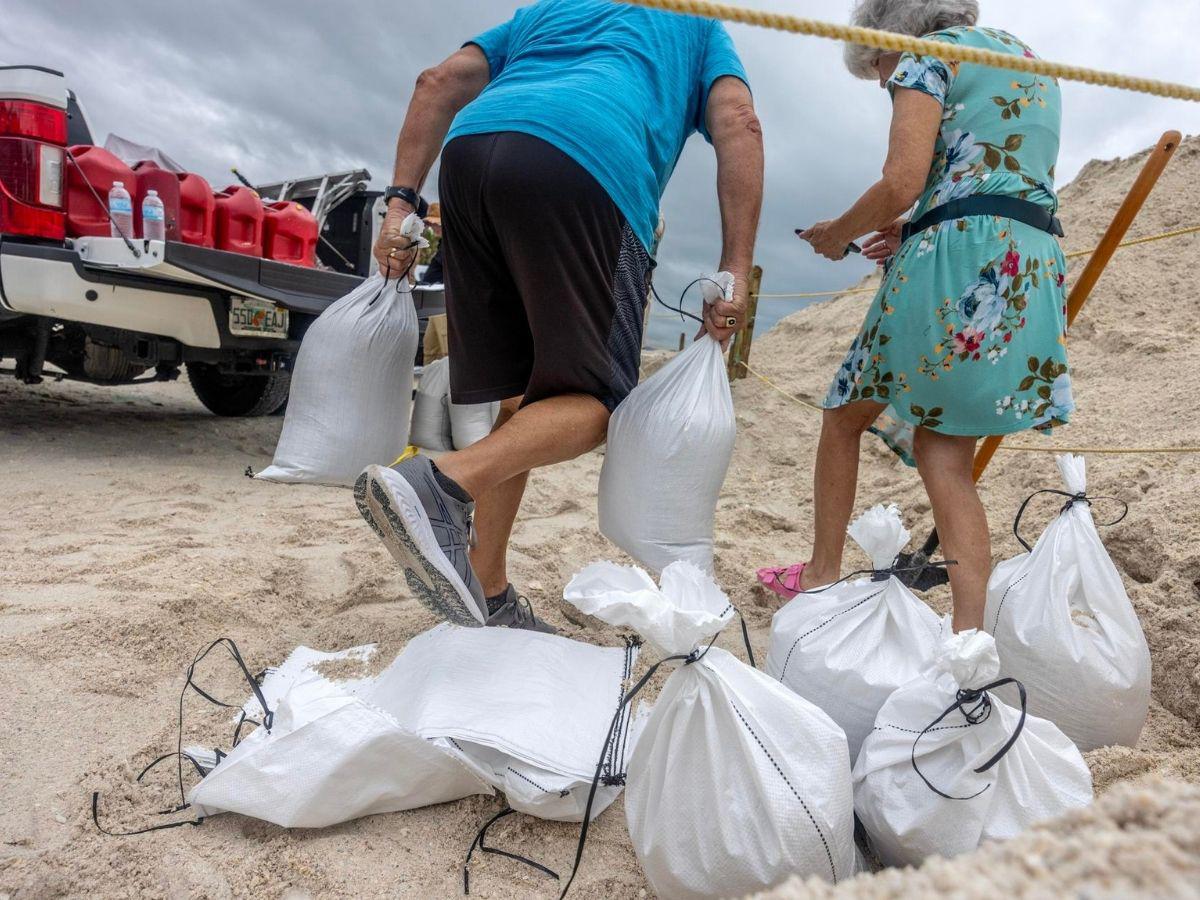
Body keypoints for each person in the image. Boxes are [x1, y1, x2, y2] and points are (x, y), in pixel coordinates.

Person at [358, 0, 763, 631]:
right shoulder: (697, 26)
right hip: (587, 164)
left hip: (470, 159)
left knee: (519, 398)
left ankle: (487, 591)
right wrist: (734, 266)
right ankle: (440, 481)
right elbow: (738, 119)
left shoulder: (549, 10)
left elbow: (435, 84)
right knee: (598, 402)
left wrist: (399, 206)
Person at [760, 0, 1071, 632]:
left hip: (956, 261)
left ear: (891, 34)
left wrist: (838, 233)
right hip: (1030, 259)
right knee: (945, 448)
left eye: (876, 62)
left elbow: (900, 179)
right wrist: (917, 221)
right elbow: (994, 173)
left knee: (844, 415)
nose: (881, 80)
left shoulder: (927, 57)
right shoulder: (1028, 60)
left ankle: (821, 571)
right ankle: (969, 637)